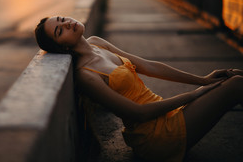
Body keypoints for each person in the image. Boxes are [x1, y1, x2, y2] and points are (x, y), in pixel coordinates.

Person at [34, 16, 243, 162]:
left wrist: (203, 80)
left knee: (234, 76)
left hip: (167, 115)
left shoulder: (97, 43)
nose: (68, 24)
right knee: (235, 85)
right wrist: (195, 94)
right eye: (60, 31)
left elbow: (150, 66)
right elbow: (138, 113)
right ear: (63, 48)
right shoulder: (85, 75)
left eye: (62, 19)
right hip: (155, 137)